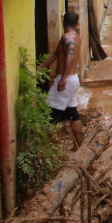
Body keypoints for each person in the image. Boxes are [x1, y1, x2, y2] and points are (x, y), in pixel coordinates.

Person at [41, 11, 85, 148]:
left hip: (65, 80)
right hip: (72, 80)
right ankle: (78, 147)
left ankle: (53, 153)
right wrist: (40, 67)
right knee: (73, 114)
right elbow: (56, 54)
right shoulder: (75, 37)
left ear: (62, 22)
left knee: (49, 116)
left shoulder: (68, 38)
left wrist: (63, 78)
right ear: (77, 23)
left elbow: (70, 56)